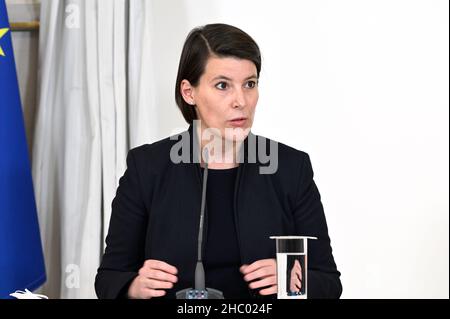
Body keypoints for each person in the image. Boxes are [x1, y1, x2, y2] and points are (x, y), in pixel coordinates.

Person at [95, 23, 342, 299]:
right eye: (223, 85)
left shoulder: (290, 167)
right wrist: (134, 288)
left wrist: (294, 281)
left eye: (250, 84)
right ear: (189, 92)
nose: (241, 101)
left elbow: (329, 282)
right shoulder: (147, 167)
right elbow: (109, 279)